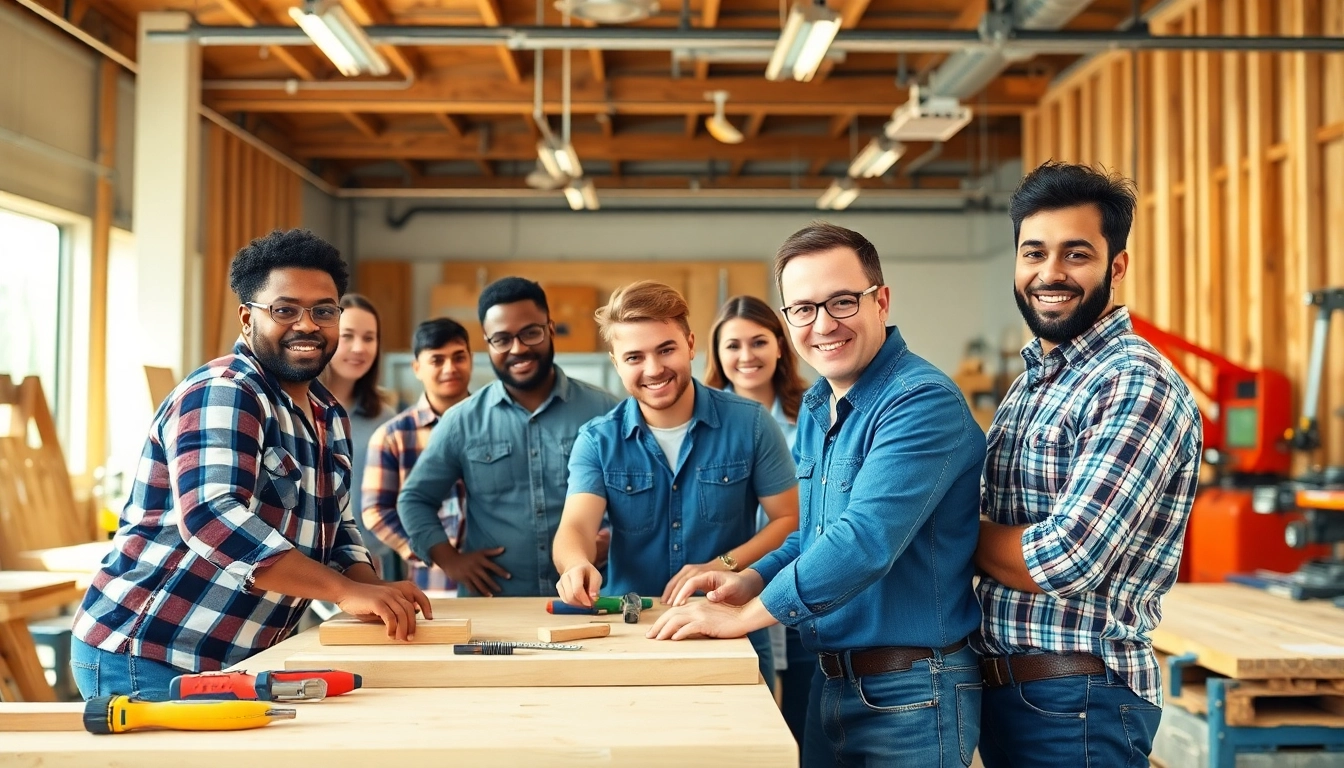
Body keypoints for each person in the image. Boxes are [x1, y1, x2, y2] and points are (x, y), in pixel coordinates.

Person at [649, 222, 986, 767]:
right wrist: (750, 578)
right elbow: (815, 535)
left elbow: (864, 541)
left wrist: (746, 616)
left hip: (911, 694)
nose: (823, 324)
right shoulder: (818, 408)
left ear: (881, 301)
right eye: (803, 309)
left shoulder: (921, 402)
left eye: (842, 301)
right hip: (833, 684)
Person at [70, 229, 431, 699]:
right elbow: (212, 516)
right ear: (247, 318)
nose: (307, 325)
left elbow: (336, 527)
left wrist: (373, 591)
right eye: (285, 310)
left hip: (238, 657)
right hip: (149, 652)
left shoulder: (327, 414)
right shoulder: (226, 390)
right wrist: (344, 592)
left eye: (323, 311)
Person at [973, 162, 1202, 767]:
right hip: (1016, 694)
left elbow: (1065, 556)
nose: (1050, 273)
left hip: (1077, 700)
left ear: (1116, 267)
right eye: (1034, 253)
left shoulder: (1132, 382)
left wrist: (942, 529)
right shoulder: (1034, 382)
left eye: (1076, 254)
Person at [553, 281, 798, 689]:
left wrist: (721, 565)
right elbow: (576, 526)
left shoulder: (752, 424)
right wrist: (575, 564)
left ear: (690, 344)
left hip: (732, 629)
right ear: (616, 362)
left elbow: (788, 520)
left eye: (665, 349)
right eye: (634, 357)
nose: (653, 369)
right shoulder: (597, 440)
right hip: (632, 635)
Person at [397, 277, 620, 597]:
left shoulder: (605, 411)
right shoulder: (461, 421)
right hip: (494, 603)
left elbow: (639, 498)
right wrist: (450, 561)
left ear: (551, 330)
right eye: (501, 339)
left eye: (530, 333)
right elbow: (414, 499)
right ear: (488, 344)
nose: (518, 348)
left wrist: (613, 540)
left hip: (590, 599)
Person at [704, 294, 814, 735]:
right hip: (731, 588)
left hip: (805, 581)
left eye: (759, 342)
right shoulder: (703, 421)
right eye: (732, 345)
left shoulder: (816, 411)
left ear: (780, 346)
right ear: (716, 354)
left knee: (806, 721)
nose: (746, 355)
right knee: (745, 726)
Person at [363, 318, 474, 591]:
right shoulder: (393, 436)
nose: (450, 368)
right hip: (432, 585)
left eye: (459, 357)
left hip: (498, 579)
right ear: (417, 368)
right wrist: (435, 554)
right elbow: (375, 511)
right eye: (437, 360)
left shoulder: (495, 423)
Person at [319, 293, 398, 579]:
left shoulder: (385, 419)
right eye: (347, 336)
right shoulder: (297, 407)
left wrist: (370, 552)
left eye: (369, 338)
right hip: (303, 563)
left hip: (367, 563)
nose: (359, 348)